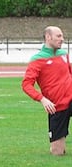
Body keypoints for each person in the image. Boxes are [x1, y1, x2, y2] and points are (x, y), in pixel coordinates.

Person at [22, 26, 72, 155]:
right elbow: (26, 84)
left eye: (62, 36)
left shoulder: (64, 54)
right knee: (57, 152)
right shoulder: (37, 60)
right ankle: (59, 145)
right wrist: (43, 100)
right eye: (58, 36)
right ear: (48, 37)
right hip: (57, 106)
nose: (62, 39)